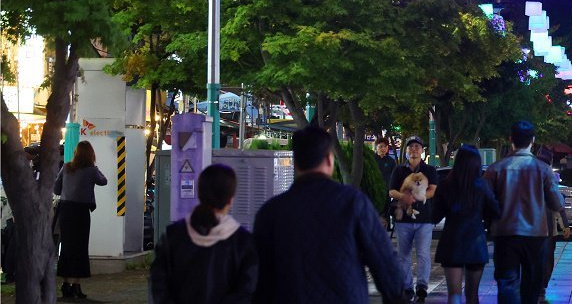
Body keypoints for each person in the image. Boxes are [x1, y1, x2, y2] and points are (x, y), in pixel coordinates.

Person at [253, 126, 404, 303]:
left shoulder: (271, 211)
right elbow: (383, 260)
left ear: (296, 161)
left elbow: (260, 277)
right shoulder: (353, 203)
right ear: (329, 159)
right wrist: (396, 296)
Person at [150, 164, 257, 303]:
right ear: (231, 200)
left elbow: (159, 285)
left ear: (199, 194)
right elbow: (247, 291)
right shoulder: (243, 242)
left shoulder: (172, 236)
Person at [483, 121, 564, 304]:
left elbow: (485, 202)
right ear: (533, 141)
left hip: (504, 232)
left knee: (507, 280)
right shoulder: (543, 170)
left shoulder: (495, 169)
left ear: (510, 139)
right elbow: (556, 202)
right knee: (532, 282)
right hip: (535, 234)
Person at [431, 144, 500, 304]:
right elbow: (495, 211)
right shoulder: (481, 186)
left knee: (454, 295)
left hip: (452, 241)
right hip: (475, 241)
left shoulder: (446, 185)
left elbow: (435, 216)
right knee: (472, 295)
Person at [54, 140, 108, 299]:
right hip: (81, 212)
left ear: (76, 153)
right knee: (80, 248)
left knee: (66, 247)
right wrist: (95, 168)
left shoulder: (66, 167)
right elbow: (103, 181)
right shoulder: (92, 170)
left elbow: (56, 189)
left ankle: (65, 284)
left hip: (66, 211)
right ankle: (76, 285)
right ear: (91, 154)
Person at [389, 136, 439, 302]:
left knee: (423, 254)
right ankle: (407, 288)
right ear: (407, 150)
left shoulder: (430, 170)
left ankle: (422, 287)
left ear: (422, 150)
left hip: (424, 220)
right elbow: (391, 191)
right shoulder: (399, 170)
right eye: (411, 147)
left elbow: (432, 190)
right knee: (404, 255)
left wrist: (418, 197)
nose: (414, 149)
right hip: (403, 221)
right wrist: (404, 196)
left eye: (417, 146)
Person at [534, 149, 570, 303]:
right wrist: (565, 226)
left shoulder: (527, 173)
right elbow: (558, 205)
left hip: (527, 225)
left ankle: (534, 287)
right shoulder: (551, 176)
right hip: (547, 226)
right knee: (547, 258)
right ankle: (541, 288)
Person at [375, 137, 397, 229]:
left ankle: (387, 227)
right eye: (380, 146)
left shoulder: (391, 161)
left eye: (385, 146)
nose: (383, 148)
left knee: (386, 208)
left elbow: (394, 176)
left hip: (387, 189)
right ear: (376, 147)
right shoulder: (372, 159)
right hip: (375, 190)